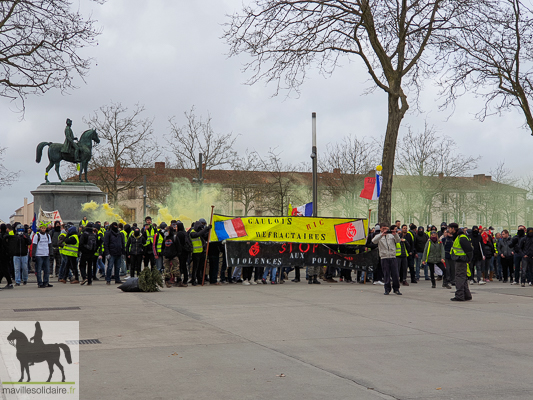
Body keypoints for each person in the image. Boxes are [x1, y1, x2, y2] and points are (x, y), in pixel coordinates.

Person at [372, 225, 402, 295]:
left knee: (395, 274)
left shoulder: (391, 235)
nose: (385, 230)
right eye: (383, 228)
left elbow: (398, 241)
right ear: (380, 229)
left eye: (386, 228)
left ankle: (396, 289)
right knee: (386, 274)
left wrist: (395, 234)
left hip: (392, 256)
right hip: (384, 257)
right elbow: (374, 241)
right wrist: (381, 235)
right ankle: (387, 289)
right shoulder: (378, 236)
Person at [449, 223, 473, 301]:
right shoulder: (458, 237)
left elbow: (469, 249)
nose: (448, 230)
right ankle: (467, 295)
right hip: (460, 260)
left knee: (459, 278)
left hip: (461, 260)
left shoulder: (461, 237)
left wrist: (468, 259)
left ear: (453, 228)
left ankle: (460, 295)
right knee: (463, 278)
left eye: (449, 228)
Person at [189, 220, 211, 286]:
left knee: (200, 268)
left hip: (201, 252)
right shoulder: (192, 233)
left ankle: (200, 280)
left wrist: (208, 230)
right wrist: (206, 229)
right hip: (195, 253)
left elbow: (204, 236)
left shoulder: (200, 232)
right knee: (195, 268)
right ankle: (193, 280)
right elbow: (197, 234)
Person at [33, 222, 53, 288]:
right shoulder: (37, 236)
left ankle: (46, 282)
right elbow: (34, 245)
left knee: (47, 269)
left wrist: (51, 253)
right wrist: (33, 255)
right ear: (40, 228)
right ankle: (40, 282)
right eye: (42, 228)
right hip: (39, 255)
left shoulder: (48, 236)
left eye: (44, 228)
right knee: (38, 270)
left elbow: (50, 245)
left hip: (46, 254)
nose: (43, 229)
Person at [161, 223, 182, 288]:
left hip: (174, 255)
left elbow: (178, 246)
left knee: (176, 269)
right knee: (167, 269)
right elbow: (162, 247)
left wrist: (177, 254)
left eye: (167, 230)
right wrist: (164, 253)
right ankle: (167, 281)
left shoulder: (174, 237)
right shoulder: (165, 238)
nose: (166, 232)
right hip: (166, 255)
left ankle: (179, 281)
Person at [175, 221, 191, 287]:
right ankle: (185, 279)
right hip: (186, 251)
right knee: (184, 266)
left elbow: (178, 244)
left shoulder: (179, 234)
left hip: (180, 252)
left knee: (180, 266)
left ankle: (180, 280)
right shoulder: (185, 233)